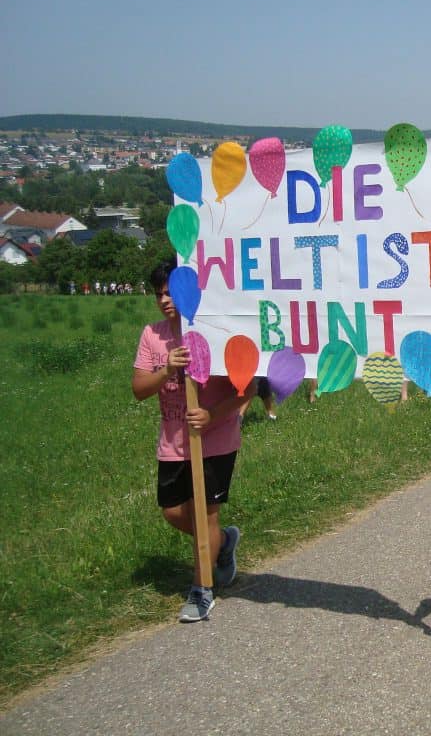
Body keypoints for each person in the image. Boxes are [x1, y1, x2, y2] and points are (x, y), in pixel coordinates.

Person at [132, 260, 253, 622]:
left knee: (206, 515)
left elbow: (243, 391)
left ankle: (201, 590)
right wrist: (166, 368)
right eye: (159, 295)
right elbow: (139, 390)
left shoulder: (216, 331)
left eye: (171, 292)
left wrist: (212, 415)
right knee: (173, 512)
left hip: (214, 439)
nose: (165, 301)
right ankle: (223, 544)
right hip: (173, 442)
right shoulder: (152, 336)